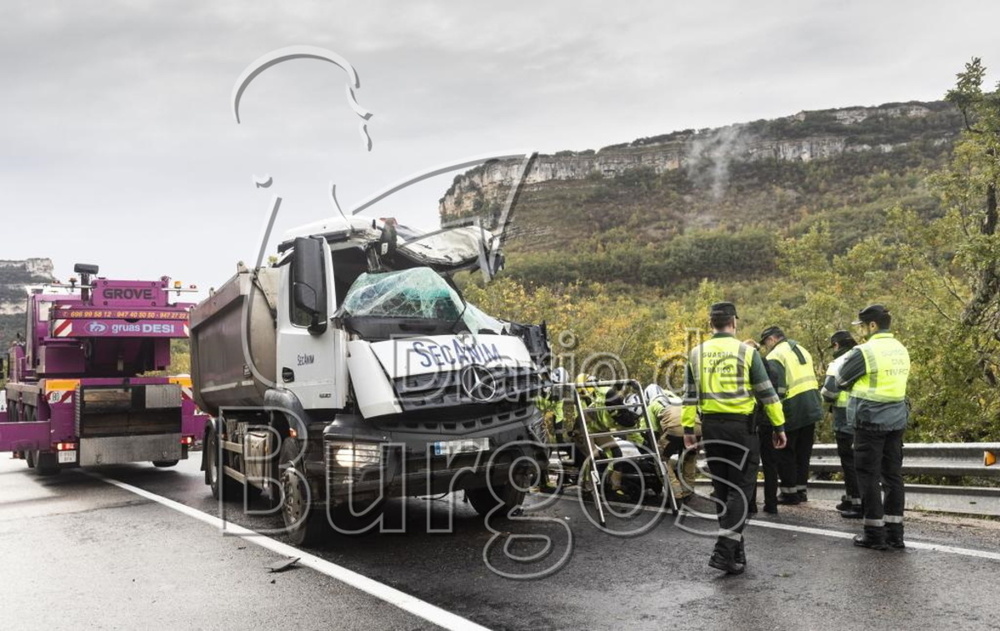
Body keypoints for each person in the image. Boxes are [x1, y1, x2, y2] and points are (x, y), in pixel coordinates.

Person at [682, 302, 787, 575]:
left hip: (712, 429)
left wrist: (687, 430)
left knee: (723, 489)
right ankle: (724, 550)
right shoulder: (747, 352)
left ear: (710, 324)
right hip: (742, 430)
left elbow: (689, 395)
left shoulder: (695, 353)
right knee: (740, 489)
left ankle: (734, 550)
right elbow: (767, 393)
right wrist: (779, 426)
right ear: (734, 323)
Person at [834, 305, 911, 550]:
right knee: (893, 475)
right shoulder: (901, 348)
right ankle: (895, 533)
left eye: (863, 326)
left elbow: (840, 380)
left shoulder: (865, 351)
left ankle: (874, 533)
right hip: (896, 420)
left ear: (873, 325)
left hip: (869, 421)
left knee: (867, 476)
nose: (862, 332)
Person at [759, 326, 823, 505]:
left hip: (792, 407)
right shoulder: (801, 349)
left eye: (766, 343)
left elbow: (776, 389)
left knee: (785, 451)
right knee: (804, 452)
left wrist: (774, 418)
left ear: (772, 339)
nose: (766, 347)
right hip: (811, 405)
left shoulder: (775, 355)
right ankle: (801, 490)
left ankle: (789, 492)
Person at [820, 330, 862, 518]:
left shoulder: (837, 363)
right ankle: (853, 498)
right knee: (861, 462)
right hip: (863, 415)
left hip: (844, 418)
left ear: (836, 345)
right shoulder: (861, 355)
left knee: (849, 462)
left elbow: (829, 393)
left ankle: (855, 501)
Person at [743, 339, 780, 515]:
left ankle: (751, 504)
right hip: (770, 421)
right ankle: (771, 504)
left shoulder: (744, 370)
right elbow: (775, 397)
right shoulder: (772, 369)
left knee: (751, 465)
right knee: (770, 465)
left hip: (751, 423)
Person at [647, 384, 698, 505]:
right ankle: (688, 492)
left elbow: (652, 431)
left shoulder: (653, 404)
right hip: (696, 428)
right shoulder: (677, 399)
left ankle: (676, 494)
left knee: (661, 460)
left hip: (674, 431)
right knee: (689, 459)